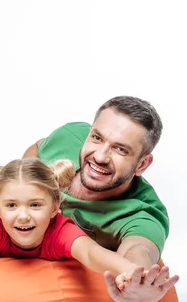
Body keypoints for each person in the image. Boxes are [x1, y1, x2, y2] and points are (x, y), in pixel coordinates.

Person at [0, 158, 179, 302]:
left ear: (55, 207)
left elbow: (90, 253)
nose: (23, 215)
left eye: (36, 205)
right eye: (11, 206)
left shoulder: (59, 230)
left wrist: (133, 273)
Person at [22, 96, 168, 270]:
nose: (99, 156)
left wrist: (133, 277)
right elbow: (38, 147)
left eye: (120, 149)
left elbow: (139, 249)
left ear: (142, 164)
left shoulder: (141, 213)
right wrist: (33, 186)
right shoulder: (72, 135)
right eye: (97, 138)